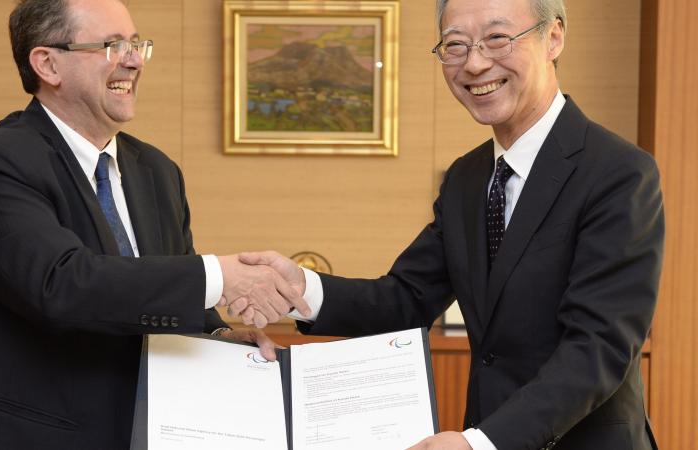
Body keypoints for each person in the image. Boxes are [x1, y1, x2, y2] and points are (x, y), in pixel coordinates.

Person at [234, 0, 664, 448]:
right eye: (456, 45)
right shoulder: (468, 177)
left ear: (553, 37)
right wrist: (300, 289)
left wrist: (480, 442)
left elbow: (599, 347)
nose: (475, 64)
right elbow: (407, 297)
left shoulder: (618, 172)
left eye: (497, 38)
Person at [0, 0, 309, 448]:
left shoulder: (157, 171)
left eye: (136, 44)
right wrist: (220, 276)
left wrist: (218, 334)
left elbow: (160, 296)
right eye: (113, 45)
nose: (135, 60)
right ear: (47, 64)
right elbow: (61, 285)